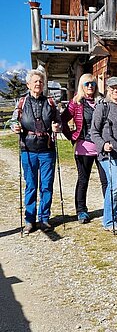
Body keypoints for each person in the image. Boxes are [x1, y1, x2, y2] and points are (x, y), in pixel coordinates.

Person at [11, 69, 61, 234]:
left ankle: (44, 218)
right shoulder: (22, 102)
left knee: (46, 186)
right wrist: (15, 127)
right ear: (28, 84)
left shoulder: (50, 103)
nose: (38, 84)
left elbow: (58, 120)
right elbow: (13, 120)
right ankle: (29, 220)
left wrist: (57, 126)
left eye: (40, 81)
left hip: (47, 149)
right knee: (31, 186)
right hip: (28, 150)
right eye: (35, 81)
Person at [90, 77, 117, 233]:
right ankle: (108, 221)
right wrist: (103, 144)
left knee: (116, 186)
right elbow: (94, 132)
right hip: (108, 154)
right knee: (114, 186)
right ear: (108, 89)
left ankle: (113, 216)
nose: (116, 90)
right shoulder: (102, 108)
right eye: (113, 88)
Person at [61, 74, 107, 223]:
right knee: (83, 180)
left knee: (106, 180)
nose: (90, 87)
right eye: (87, 84)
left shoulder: (102, 101)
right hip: (83, 148)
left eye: (93, 84)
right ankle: (81, 210)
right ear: (82, 85)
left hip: (101, 147)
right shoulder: (76, 102)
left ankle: (110, 208)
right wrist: (72, 136)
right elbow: (62, 120)